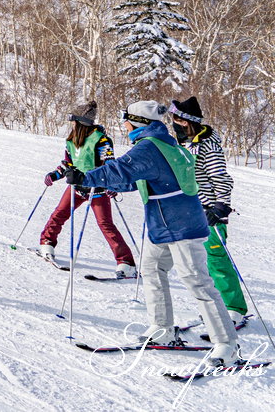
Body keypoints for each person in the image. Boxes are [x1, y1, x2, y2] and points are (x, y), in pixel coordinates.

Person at [68, 100, 239, 366]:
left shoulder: (149, 146)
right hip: (164, 224)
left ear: (139, 121)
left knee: (197, 281)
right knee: (151, 269)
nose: (123, 123)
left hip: (181, 224)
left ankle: (227, 345)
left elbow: (119, 168)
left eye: (126, 118)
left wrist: (85, 177)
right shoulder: (161, 143)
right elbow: (133, 180)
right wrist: (97, 182)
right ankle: (162, 328)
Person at [168, 96, 247, 326]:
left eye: (176, 120)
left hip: (209, 212)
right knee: (199, 263)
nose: (172, 124)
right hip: (191, 211)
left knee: (217, 259)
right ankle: (216, 306)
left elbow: (220, 178)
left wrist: (220, 206)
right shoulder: (185, 144)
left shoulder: (207, 145)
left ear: (186, 122)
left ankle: (234, 308)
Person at [38, 102, 136, 275]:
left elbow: (109, 165)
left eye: (73, 120)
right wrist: (55, 174)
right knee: (59, 214)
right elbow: (68, 164)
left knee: (106, 225)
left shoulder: (101, 140)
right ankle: (46, 243)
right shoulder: (71, 139)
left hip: (96, 189)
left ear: (80, 121)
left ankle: (126, 263)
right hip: (77, 187)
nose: (72, 124)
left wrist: (111, 185)